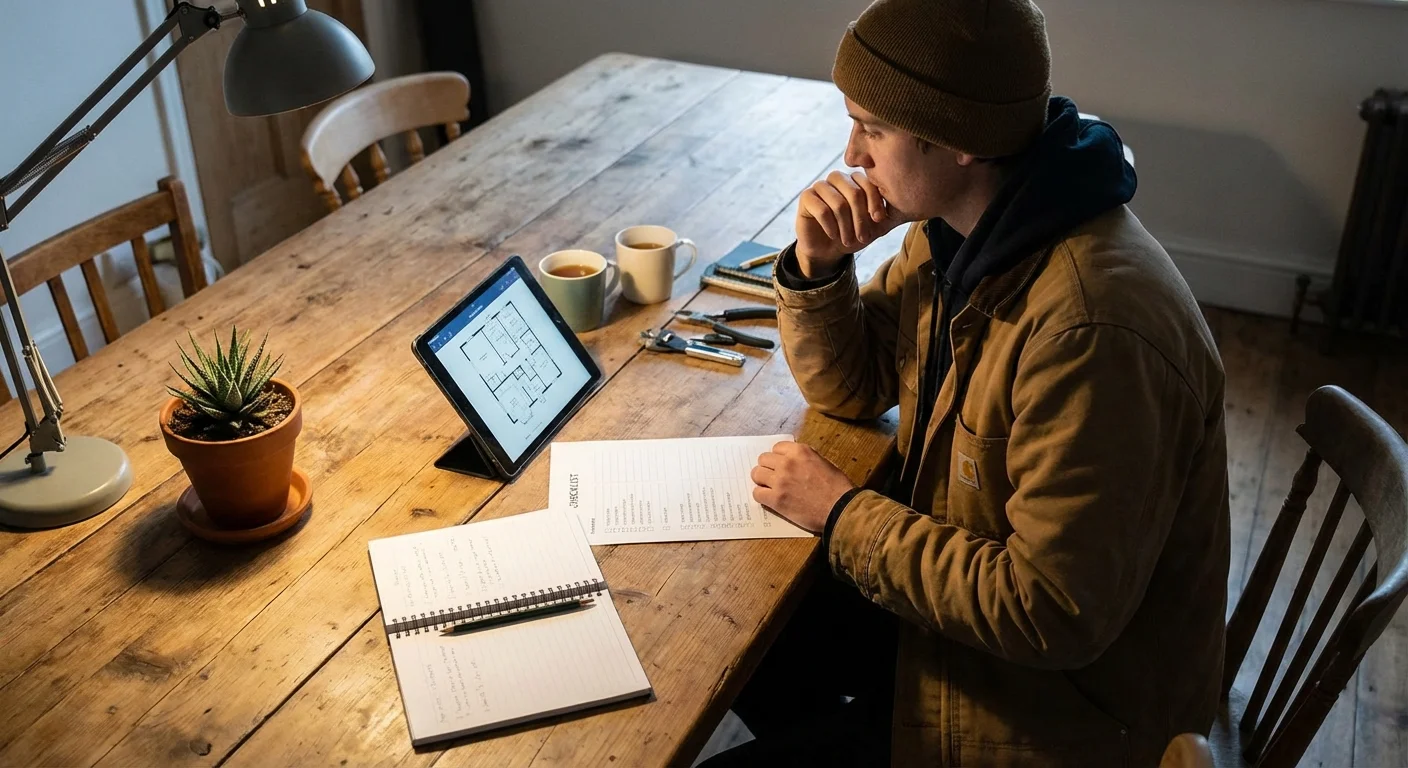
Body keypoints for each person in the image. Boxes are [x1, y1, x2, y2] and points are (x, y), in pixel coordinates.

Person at [705, 0, 1232, 765]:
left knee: (754, 662)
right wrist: (819, 270)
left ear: (954, 139)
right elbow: (854, 388)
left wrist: (844, 514)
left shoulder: (1093, 330)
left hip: (1051, 720)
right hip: (970, 644)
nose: (851, 155)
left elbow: (1049, 611)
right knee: (742, 623)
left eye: (871, 129)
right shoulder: (965, 229)